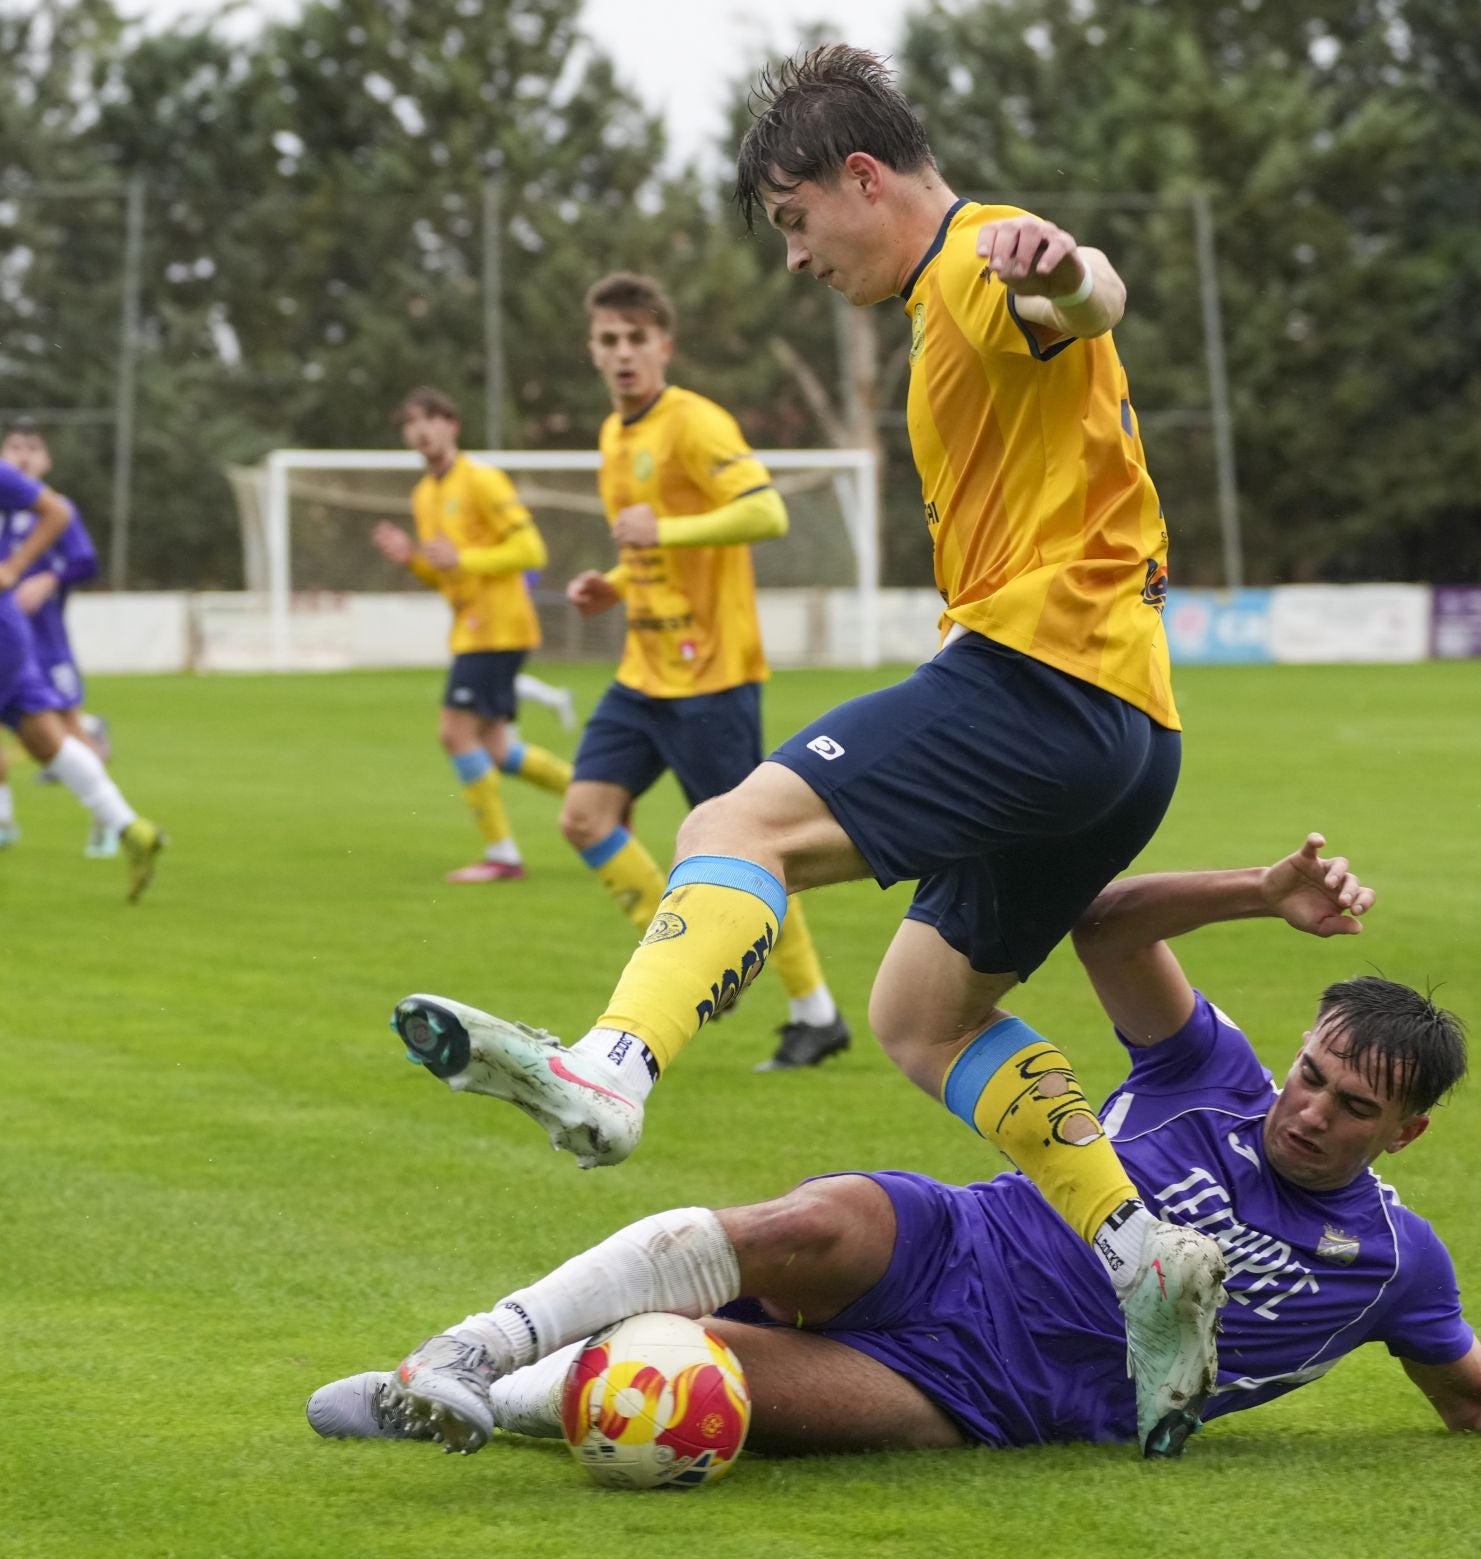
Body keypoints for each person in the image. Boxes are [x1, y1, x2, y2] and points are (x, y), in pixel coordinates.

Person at [387, 45, 1220, 1455]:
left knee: (734, 821)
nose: (793, 257)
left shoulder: (972, 263)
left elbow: (1081, 293)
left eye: (792, 221)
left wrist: (1066, 263)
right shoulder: (947, 285)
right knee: (922, 1014)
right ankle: (1145, 1253)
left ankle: (611, 1064)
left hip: (1040, 679)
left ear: (861, 178)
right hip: (1134, 729)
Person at [311, 834, 1481, 1462]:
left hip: (990, 1389)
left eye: (1351, 1105)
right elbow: (1107, 929)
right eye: (1314, 1073)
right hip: (959, 1237)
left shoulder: (1394, 1258)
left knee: (690, 1381)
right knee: (804, 1223)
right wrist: (1257, 894)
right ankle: (472, 1348)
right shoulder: (1212, 1071)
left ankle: (477, 1406)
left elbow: (1473, 1396)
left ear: (1409, 1131)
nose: (1310, 1107)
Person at [529, 271, 850, 1071]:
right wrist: (615, 579)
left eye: (638, 339)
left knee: (750, 847)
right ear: (593, 351)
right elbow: (648, 547)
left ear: (663, 346)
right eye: (609, 340)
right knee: (583, 816)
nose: (624, 353)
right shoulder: (613, 435)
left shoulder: (695, 422)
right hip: (643, 674)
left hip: (712, 677)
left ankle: (817, 1011)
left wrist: (665, 529)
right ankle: (690, 959)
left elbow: (766, 511)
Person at [371, 388, 573, 884]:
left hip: (500, 627)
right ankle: (600, 794)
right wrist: (414, 561)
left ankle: (502, 856)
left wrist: (466, 559)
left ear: (451, 425)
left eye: (428, 420)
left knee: (454, 732)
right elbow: (445, 577)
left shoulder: (482, 479)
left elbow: (532, 549)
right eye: (409, 424)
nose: (419, 431)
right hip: (470, 629)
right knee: (499, 751)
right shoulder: (424, 495)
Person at [0, 457, 164, 898]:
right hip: (10, 627)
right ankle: (129, 827)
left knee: (56, 732)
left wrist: (15, 568)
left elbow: (59, 514)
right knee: (43, 740)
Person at [0, 420, 112, 855]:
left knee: (66, 725)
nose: (24, 454)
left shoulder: (55, 507)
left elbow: (84, 561)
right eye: (15, 446)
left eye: (33, 447)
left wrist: (47, 577)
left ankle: (109, 817)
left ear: (47, 460)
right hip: (7, 630)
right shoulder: (7, 505)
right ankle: (5, 818)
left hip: (45, 638)